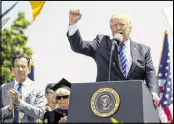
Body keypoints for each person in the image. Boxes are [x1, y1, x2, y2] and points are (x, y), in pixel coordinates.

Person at [66, 9, 160, 105]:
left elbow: (150, 72)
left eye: (122, 24)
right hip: (107, 101)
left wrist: (153, 92)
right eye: (114, 25)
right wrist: (73, 24)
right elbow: (79, 46)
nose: (118, 28)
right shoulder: (101, 43)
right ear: (111, 29)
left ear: (130, 28)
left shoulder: (143, 50)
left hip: (135, 101)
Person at [0, 54, 45, 123]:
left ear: (29, 69)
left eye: (23, 66)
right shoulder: (3, 88)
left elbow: (40, 113)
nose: (20, 69)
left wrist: (19, 103)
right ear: (13, 70)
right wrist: (10, 107)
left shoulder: (37, 88)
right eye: (17, 66)